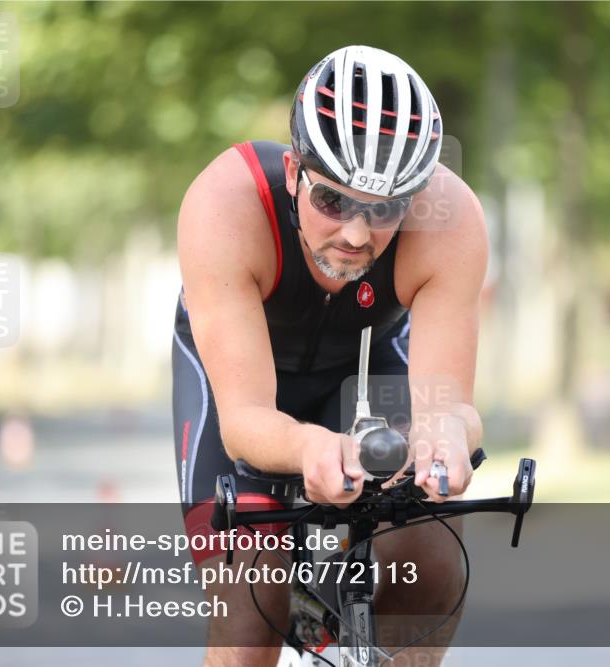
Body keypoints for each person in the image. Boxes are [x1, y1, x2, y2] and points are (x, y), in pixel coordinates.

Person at [171, 44, 487, 667]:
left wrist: (446, 435)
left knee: (432, 567)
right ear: (294, 172)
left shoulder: (450, 222)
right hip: (245, 386)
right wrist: (310, 448)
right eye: (332, 202)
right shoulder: (224, 205)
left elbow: (450, 409)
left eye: (385, 209)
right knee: (249, 613)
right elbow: (246, 421)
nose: (355, 234)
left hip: (366, 369)